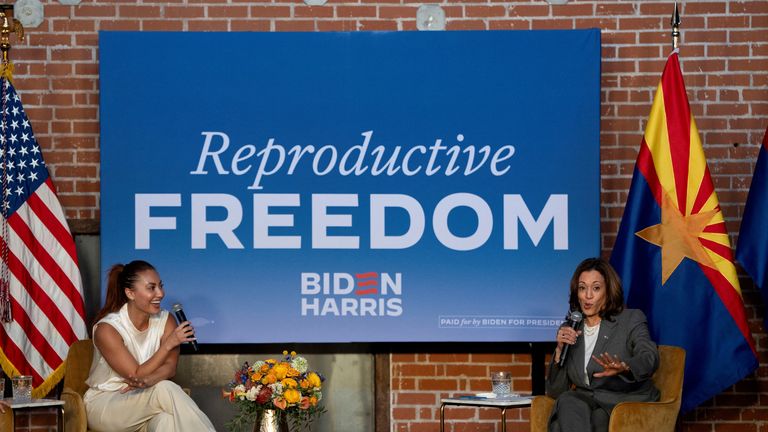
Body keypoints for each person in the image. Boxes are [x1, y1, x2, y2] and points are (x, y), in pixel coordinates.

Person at [84, 260, 214, 431]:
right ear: (130, 293)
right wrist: (169, 344)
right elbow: (135, 374)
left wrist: (147, 381)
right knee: (165, 388)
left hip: (146, 399)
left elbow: (170, 368)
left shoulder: (166, 320)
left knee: (166, 420)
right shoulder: (107, 329)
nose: (160, 293)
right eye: (151, 288)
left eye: (161, 286)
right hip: (107, 404)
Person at [546, 257, 660, 432]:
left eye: (596, 288)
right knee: (568, 399)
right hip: (586, 400)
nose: (588, 295)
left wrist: (625, 366)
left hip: (622, 399)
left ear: (609, 290)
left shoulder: (631, 319)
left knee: (575, 423)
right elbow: (556, 391)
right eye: (582, 288)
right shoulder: (571, 328)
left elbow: (649, 356)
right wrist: (560, 351)